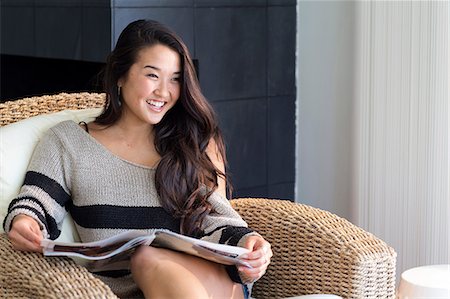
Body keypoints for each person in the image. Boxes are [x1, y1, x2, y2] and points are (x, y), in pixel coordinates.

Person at [3, 19, 272, 298]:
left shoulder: (186, 143)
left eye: (175, 79)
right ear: (120, 75)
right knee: (145, 259)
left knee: (146, 258)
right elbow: (35, 201)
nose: (164, 92)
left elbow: (215, 219)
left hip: (208, 282)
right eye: (152, 75)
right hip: (125, 291)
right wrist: (24, 222)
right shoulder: (68, 142)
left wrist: (249, 244)